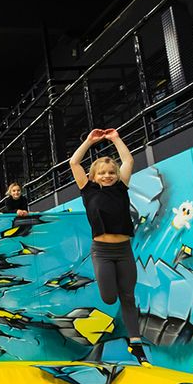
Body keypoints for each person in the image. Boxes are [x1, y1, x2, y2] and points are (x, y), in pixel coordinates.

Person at [69, 128, 148, 364]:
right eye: (102, 173)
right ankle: (131, 338)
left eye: (111, 172)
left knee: (128, 297)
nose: (107, 176)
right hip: (102, 252)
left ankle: (136, 343)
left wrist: (115, 139)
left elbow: (128, 160)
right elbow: (74, 162)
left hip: (124, 251)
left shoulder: (121, 186)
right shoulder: (88, 189)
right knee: (109, 298)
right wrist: (89, 141)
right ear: (94, 176)